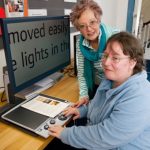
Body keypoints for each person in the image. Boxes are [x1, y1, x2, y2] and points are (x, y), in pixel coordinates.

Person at [48, 32, 150, 150]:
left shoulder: (139, 97)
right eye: (105, 56)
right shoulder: (110, 80)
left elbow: (106, 136)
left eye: (115, 58)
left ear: (132, 62)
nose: (106, 63)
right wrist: (82, 110)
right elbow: (98, 105)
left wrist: (66, 134)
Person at [70, 0, 118, 107]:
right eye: (82, 26)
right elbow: (82, 74)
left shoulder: (114, 37)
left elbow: (124, 74)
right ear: (79, 29)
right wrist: (83, 96)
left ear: (99, 20)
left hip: (114, 88)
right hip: (96, 87)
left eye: (92, 22)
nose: (89, 29)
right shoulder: (80, 44)